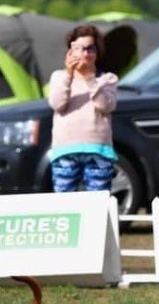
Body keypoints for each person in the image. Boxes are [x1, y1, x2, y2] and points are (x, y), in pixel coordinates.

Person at [47, 24, 119, 193]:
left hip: (98, 150)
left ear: (97, 51)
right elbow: (57, 104)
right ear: (71, 51)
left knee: (98, 204)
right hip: (65, 150)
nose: (86, 53)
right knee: (65, 204)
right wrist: (69, 75)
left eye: (90, 48)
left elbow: (106, 106)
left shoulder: (107, 79)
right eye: (80, 48)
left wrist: (90, 79)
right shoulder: (58, 77)